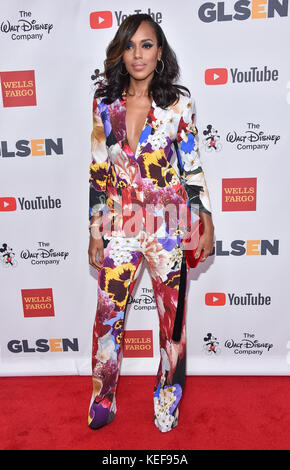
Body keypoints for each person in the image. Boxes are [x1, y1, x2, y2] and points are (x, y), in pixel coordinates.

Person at [87, 13, 214, 433]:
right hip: (121, 225)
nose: (138, 54)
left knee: (171, 324)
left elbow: (191, 168)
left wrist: (206, 219)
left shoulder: (178, 102)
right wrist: (94, 230)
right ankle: (103, 398)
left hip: (170, 226)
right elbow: (99, 170)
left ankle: (167, 398)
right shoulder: (105, 103)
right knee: (108, 317)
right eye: (130, 45)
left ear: (159, 52)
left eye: (146, 45)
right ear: (120, 53)